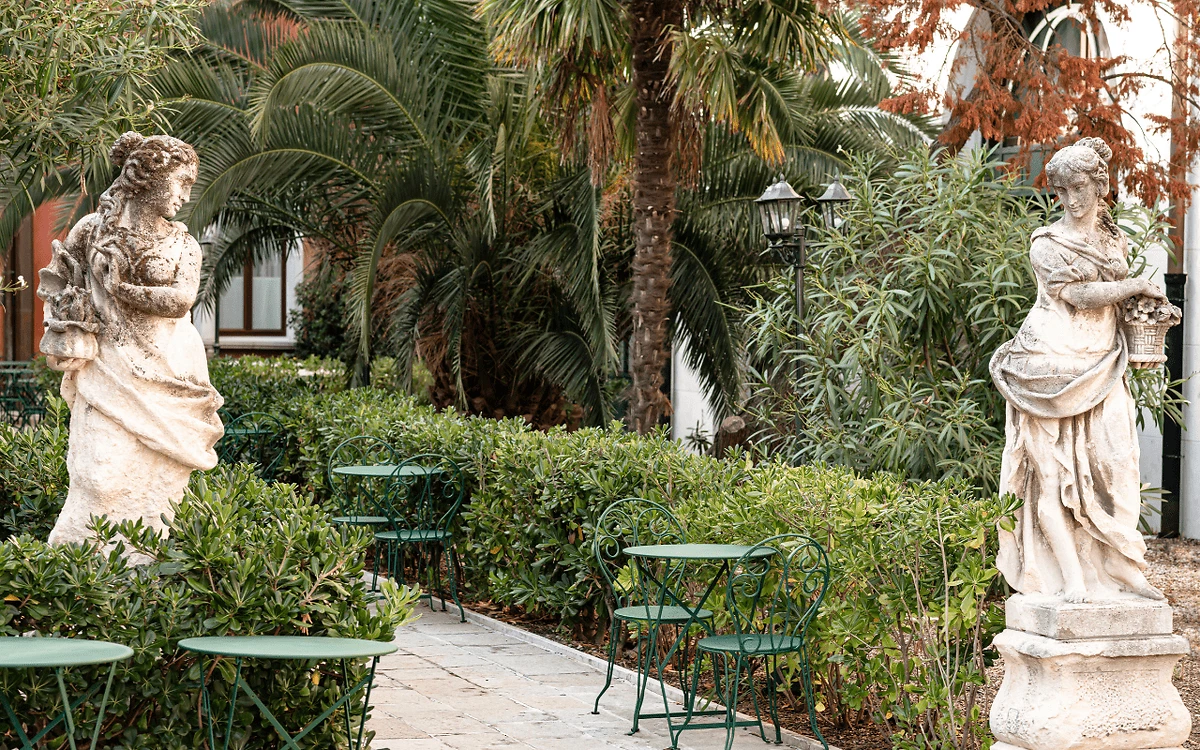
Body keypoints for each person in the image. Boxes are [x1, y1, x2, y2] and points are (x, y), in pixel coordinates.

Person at [990, 137, 1164, 603]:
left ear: (1099, 185)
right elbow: (1080, 296)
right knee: (1050, 480)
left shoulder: (1113, 238)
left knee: (1119, 463)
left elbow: (1111, 304)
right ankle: (1071, 579)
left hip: (1102, 362)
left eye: (1079, 187)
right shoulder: (1047, 243)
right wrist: (1134, 286)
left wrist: (1146, 312)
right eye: (1062, 190)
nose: (1070, 199)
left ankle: (1122, 564)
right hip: (1046, 367)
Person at [38, 132, 224, 548]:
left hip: (170, 368)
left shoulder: (184, 244)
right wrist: (67, 320)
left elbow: (181, 300)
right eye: (181, 182)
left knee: (160, 480)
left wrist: (121, 289)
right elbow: (58, 281)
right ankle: (83, 563)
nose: (185, 196)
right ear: (146, 177)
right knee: (98, 473)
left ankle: (145, 563)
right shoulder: (92, 230)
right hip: (106, 366)